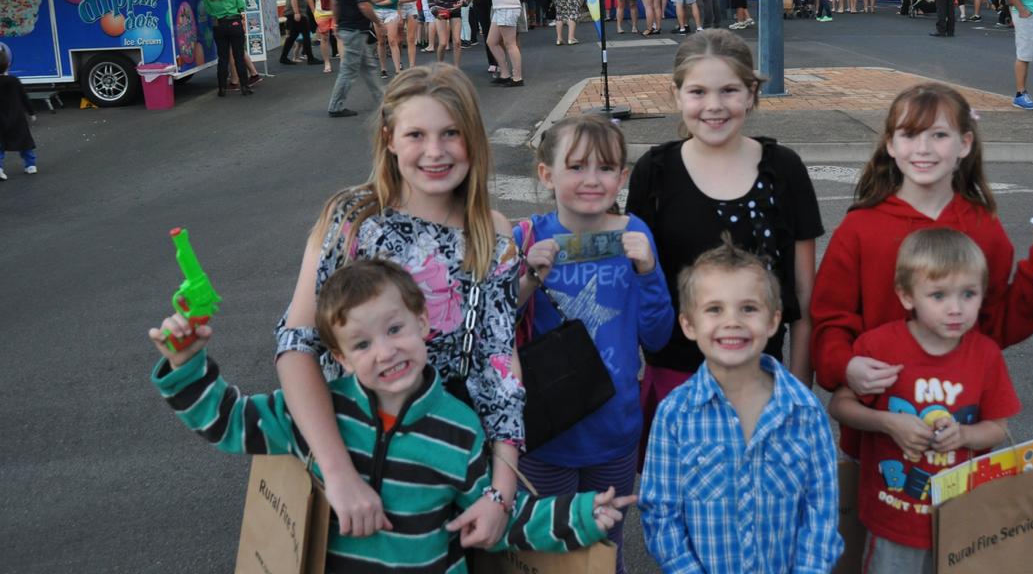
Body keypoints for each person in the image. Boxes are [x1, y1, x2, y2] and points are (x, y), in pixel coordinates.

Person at [151, 259, 632, 571]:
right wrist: (185, 363)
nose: (385, 352)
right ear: (339, 358)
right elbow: (228, 421)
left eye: (396, 328)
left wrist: (581, 516)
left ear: (423, 322)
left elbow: (496, 518)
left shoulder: (460, 428)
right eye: (361, 343)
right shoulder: (317, 414)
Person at [280, 65, 526, 543]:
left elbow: (500, 365)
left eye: (451, 133)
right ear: (390, 139)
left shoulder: (491, 233)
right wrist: (339, 475)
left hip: (454, 474)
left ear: (473, 139)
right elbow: (297, 345)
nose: (435, 152)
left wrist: (501, 492)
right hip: (358, 473)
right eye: (417, 134)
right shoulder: (351, 220)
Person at [810, 84, 1033, 475]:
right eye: (910, 134)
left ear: (964, 144)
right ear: (890, 144)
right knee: (876, 532)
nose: (924, 148)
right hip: (877, 430)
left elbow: (995, 323)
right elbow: (830, 317)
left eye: (939, 135)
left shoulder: (984, 228)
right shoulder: (860, 228)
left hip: (958, 432)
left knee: (957, 535)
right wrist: (845, 365)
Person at [626, 31, 823, 465]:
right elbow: (638, 290)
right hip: (674, 379)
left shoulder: (783, 171)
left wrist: (797, 391)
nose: (714, 106)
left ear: (752, 92)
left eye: (729, 90)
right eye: (698, 91)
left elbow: (806, 302)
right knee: (679, 522)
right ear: (677, 94)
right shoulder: (654, 174)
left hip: (760, 384)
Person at [514, 116, 674, 574]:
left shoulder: (635, 233)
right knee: (548, 551)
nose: (591, 179)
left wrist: (647, 271)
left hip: (613, 431)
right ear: (547, 174)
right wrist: (526, 278)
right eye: (576, 166)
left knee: (605, 550)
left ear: (622, 177)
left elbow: (658, 335)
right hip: (544, 435)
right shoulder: (527, 237)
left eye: (605, 168)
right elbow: (494, 330)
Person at [638, 239, 843, 573]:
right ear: (689, 324)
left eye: (748, 308)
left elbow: (821, 509)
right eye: (714, 309)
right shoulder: (675, 414)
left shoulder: (803, 410)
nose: (732, 321)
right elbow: (661, 513)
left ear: (773, 321)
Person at [828, 229, 1020, 574]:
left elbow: (997, 429)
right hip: (892, 518)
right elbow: (840, 405)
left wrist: (963, 436)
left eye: (969, 294)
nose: (956, 308)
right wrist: (887, 422)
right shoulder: (880, 346)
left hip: (961, 519)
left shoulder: (985, 355)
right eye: (938, 295)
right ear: (906, 296)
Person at [326, 0, 383, 118]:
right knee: (349, 70)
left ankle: (383, 101)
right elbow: (363, 5)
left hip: (348, 27)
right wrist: (378, 22)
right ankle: (335, 106)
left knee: (368, 67)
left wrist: (336, 23)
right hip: (355, 29)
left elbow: (334, 2)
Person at [202, 0, 251, 98]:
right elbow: (241, 6)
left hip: (219, 25)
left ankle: (222, 89)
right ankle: (245, 87)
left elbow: (209, 11)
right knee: (238, 56)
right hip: (234, 23)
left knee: (222, 58)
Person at [0, 48, 37, 179]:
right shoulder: (14, 81)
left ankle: (0, 168)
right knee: (25, 142)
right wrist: (31, 112)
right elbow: (24, 98)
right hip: (17, 119)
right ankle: (30, 165)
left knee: (0, 145)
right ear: (8, 64)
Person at [280, 0, 321, 66]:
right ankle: (310, 58)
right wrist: (297, 12)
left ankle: (284, 57)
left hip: (295, 11)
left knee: (293, 36)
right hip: (296, 12)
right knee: (305, 34)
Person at [367, 0, 402, 78]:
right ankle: (383, 68)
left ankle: (398, 69)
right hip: (377, 12)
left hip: (391, 12)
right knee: (380, 41)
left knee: (392, 40)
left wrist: (379, 1)